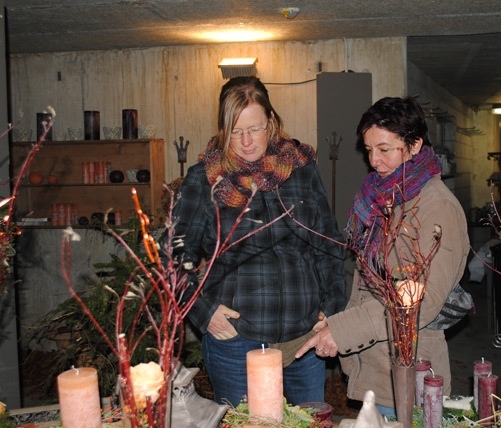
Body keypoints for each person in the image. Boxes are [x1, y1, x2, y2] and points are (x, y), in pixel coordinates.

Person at [170, 76, 347, 406]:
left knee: (308, 424)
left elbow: (328, 243)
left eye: (255, 128)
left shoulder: (302, 171)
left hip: (304, 336)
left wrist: (332, 306)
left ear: (272, 121)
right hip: (236, 341)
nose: (246, 141)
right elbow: (175, 255)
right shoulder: (203, 179)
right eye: (235, 131)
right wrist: (203, 311)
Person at [296, 96, 470, 415]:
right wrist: (335, 321)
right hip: (377, 370)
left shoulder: (437, 207)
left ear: (414, 145)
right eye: (369, 149)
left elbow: (421, 303)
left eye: (384, 149)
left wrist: (343, 330)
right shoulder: (385, 199)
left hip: (410, 376)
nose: (374, 160)